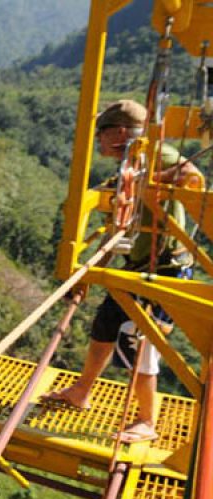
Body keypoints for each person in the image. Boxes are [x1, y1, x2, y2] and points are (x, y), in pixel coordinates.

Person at [44, 99, 201, 443]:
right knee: (105, 325)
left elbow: (191, 176)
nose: (98, 143)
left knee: (139, 341)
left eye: (101, 135)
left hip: (167, 271)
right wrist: (87, 274)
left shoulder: (159, 155)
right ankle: (82, 391)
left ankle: (147, 422)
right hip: (140, 264)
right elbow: (113, 224)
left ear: (117, 133)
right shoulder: (131, 165)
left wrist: (152, 183)